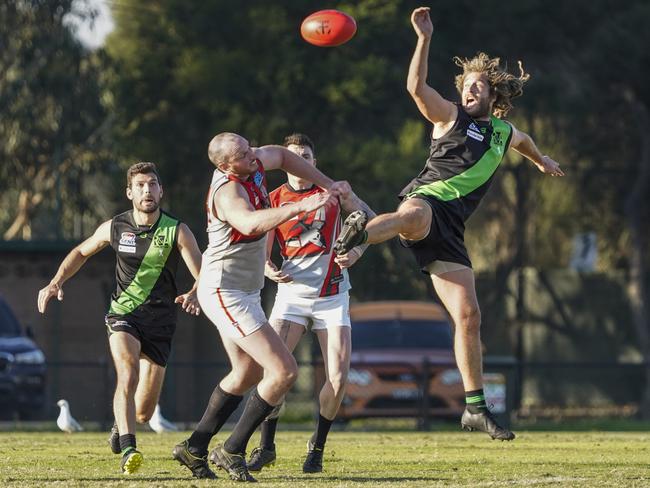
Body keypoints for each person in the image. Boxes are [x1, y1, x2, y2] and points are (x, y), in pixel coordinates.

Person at [334, 7, 564, 441]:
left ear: (493, 93)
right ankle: (359, 230)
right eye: (467, 85)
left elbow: (526, 142)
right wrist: (423, 39)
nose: (470, 89)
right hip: (427, 202)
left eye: (479, 85)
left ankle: (475, 408)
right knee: (413, 215)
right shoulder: (450, 117)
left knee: (469, 316)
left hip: (453, 232)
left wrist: (541, 161)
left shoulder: (502, 131)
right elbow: (415, 87)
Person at [172, 132, 351, 482]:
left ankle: (194, 448)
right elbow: (250, 223)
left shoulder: (251, 161)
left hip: (244, 291)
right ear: (225, 165)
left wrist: (328, 184)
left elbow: (283, 156)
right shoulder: (227, 192)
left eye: (249, 147)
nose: (253, 156)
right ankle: (233, 449)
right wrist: (300, 206)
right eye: (243, 154)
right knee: (283, 371)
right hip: (226, 291)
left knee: (247, 374)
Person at [37, 162, 203, 473]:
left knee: (143, 411)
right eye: (140, 185)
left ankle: (121, 423)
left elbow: (202, 273)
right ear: (129, 192)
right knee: (127, 373)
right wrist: (56, 281)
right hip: (123, 314)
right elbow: (81, 252)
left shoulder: (177, 230)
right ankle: (129, 449)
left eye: (152, 184)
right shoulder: (115, 226)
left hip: (162, 323)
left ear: (161, 190)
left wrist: (195, 292)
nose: (147, 190)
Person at [243, 133, 374, 474]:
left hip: (333, 297)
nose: (300, 161)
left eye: (306, 155)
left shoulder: (330, 195)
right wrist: (269, 268)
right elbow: (261, 249)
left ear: (314, 163)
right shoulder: (273, 199)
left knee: (339, 378)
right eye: (293, 155)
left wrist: (357, 250)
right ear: (285, 164)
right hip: (291, 298)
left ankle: (316, 449)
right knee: (275, 373)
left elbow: (369, 220)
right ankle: (266, 445)